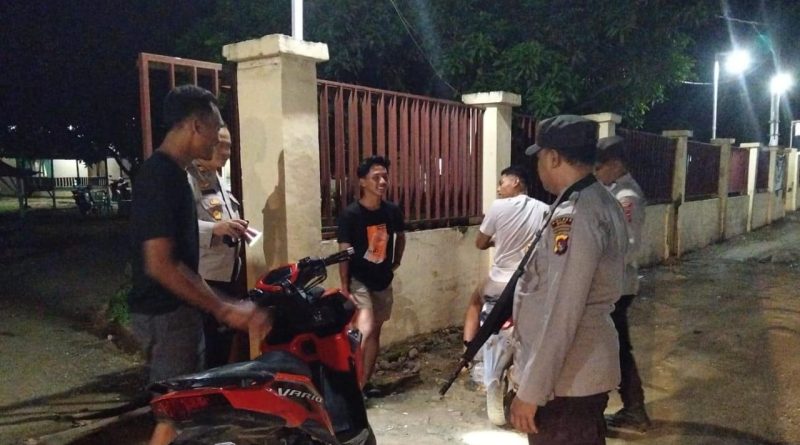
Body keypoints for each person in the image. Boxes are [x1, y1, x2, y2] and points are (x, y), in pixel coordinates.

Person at [129, 85, 269, 445]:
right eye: (216, 126)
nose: (219, 136)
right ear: (196, 125)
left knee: (183, 415)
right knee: (173, 416)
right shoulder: (160, 176)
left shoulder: (176, 174)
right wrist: (224, 308)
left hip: (177, 315)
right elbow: (160, 263)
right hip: (167, 316)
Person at [509, 115, 628, 444]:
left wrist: (531, 391)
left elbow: (563, 310)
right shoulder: (601, 200)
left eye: (539, 158)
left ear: (553, 157)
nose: (538, 167)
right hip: (576, 376)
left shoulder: (576, 213)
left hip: (567, 382)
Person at [461, 165, 548, 423]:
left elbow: (479, 243)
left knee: (474, 301)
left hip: (499, 283)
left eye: (502, 182)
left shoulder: (498, 207)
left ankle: (469, 352)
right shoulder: (544, 209)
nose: (499, 188)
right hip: (530, 283)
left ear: (516, 181)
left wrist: (496, 241)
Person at [594, 135, 651, 433]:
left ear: (615, 164)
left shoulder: (626, 196)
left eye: (599, 167)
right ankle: (631, 407)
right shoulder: (612, 191)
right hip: (613, 285)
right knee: (614, 348)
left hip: (618, 286)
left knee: (615, 350)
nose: (596, 173)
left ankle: (633, 409)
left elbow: (627, 247)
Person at [337, 155, 406, 397]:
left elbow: (401, 236)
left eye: (385, 177)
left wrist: (396, 261)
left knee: (375, 331)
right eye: (376, 177)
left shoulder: (392, 211)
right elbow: (344, 251)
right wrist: (344, 285)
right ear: (362, 182)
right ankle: (350, 384)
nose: (382, 182)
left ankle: (363, 383)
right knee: (364, 328)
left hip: (382, 279)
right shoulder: (350, 214)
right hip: (359, 279)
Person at [187, 126, 249, 368]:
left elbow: (222, 215)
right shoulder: (188, 178)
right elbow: (180, 226)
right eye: (221, 145)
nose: (226, 152)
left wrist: (237, 227)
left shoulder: (217, 177)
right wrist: (215, 229)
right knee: (207, 349)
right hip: (205, 279)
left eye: (229, 146)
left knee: (222, 344)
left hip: (229, 275)